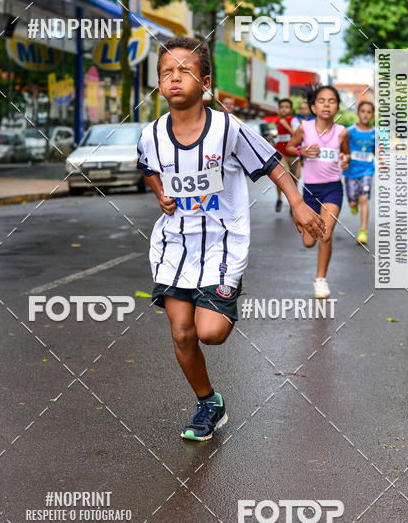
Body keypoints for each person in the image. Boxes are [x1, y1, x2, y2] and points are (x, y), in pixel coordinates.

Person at [137, 36, 326, 441]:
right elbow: (148, 167)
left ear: (204, 82)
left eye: (184, 71)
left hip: (222, 245)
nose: (174, 78)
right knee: (182, 332)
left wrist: (296, 202)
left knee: (211, 332)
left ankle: (227, 289)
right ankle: (209, 403)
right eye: (166, 72)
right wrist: (160, 195)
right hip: (173, 244)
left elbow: (272, 161)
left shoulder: (227, 129)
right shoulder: (150, 134)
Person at [286, 84, 349, 298]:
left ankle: (321, 280)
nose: (326, 105)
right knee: (309, 241)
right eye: (322, 101)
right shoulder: (305, 128)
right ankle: (303, 227)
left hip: (333, 189)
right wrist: (301, 151)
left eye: (331, 101)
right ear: (313, 107)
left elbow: (346, 156)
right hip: (310, 191)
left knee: (325, 234)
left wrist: (345, 160)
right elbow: (288, 147)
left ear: (337, 107)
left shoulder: (342, 133)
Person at [343, 101, 376, 245]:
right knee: (352, 202)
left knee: (364, 199)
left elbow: (376, 150)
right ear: (358, 113)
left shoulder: (375, 133)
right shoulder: (349, 131)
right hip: (351, 172)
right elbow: (342, 148)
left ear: (373, 115)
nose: (366, 114)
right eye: (363, 111)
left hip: (367, 171)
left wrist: (382, 160)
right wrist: (344, 159)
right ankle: (352, 203)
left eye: (369, 112)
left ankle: (363, 231)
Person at [273, 98, 298, 212]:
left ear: (291, 109)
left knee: (294, 179)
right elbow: (280, 136)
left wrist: (287, 126)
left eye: (286, 107)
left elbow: (297, 135)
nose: (284, 109)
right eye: (282, 107)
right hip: (280, 152)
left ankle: (295, 203)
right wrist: (273, 136)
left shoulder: (293, 120)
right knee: (282, 174)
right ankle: (279, 199)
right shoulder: (277, 121)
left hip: (292, 153)